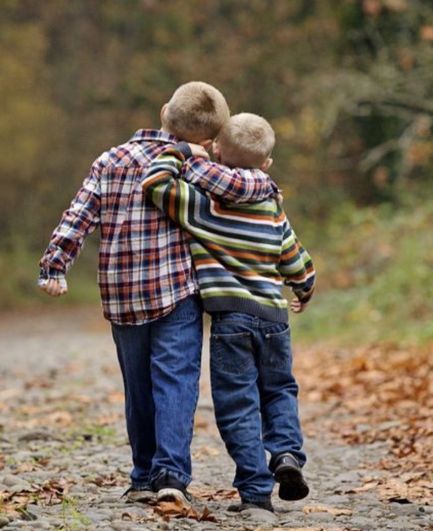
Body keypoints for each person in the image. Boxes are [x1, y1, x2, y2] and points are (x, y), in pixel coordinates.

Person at [38, 84, 277, 506]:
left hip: (122, 295)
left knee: (138, 386)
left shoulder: (109, 160)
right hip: (177, 292)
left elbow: (79, 216)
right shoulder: (194, 166)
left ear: (164, 110)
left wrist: (55, 265)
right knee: (176, 381)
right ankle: (171, 474)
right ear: (208, 139)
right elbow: (240, 201)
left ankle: (143, 474)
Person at [142, 113, 316, 513]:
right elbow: (294, 258)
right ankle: (287, 454)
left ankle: (256, 492)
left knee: (238, 403)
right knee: (279, 390)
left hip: (230, 320)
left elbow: (155, 184)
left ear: (217, 150)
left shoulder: (205, 206)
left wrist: (182, 151)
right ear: (266, 163)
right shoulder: (273, 204)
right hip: (274, 318)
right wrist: (305, 287)